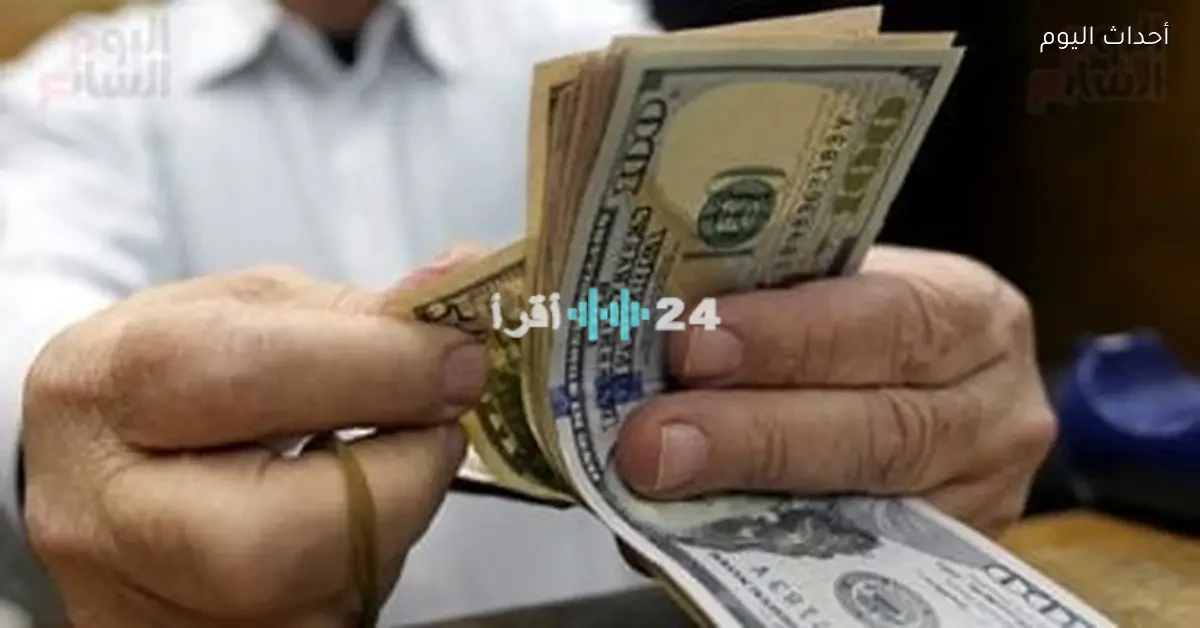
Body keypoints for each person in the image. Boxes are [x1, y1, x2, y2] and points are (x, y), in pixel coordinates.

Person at [0, 0, 1057, 625]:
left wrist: (901, 363)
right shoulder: (83, 91)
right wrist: (55, 423)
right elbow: (22, 308)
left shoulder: (584, 31)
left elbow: (742, 282)